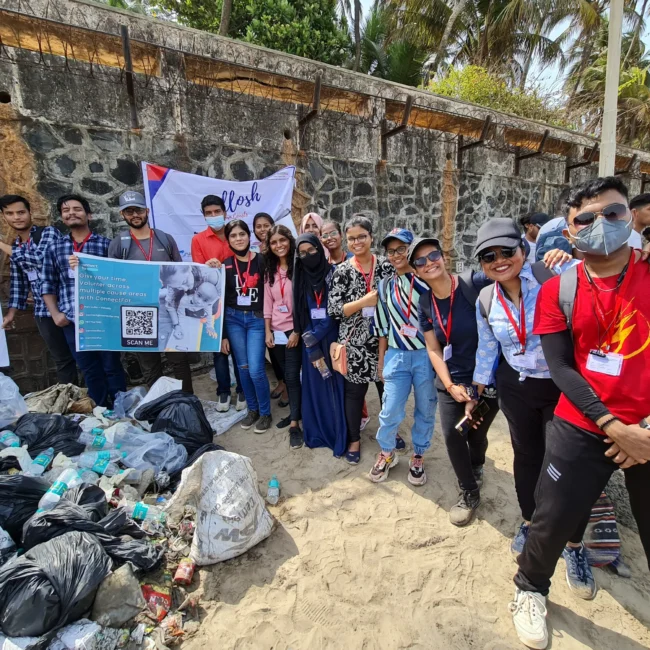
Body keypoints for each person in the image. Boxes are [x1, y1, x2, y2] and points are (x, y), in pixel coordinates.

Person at [510, 176, 650, 650]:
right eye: (586, 219)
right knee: (553, 515)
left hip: (647, 427)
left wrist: (643, 430)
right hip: (583, 420)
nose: (601, 224)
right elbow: (561, 367)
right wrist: (612, 425)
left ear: (630, 216)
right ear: (570, 232)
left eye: (612, 212)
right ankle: (530, 588)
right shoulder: (558, 290)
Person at [471, 218, 578, 561]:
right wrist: (476, 391)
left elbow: (602, 276)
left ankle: (573, 542)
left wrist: (573, 255)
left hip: (561, 385)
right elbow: (487, 348)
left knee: (564, 462)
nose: (499, 261)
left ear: (523, 248)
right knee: (527, 457)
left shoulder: (555, 275)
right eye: (489, 256)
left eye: (507, 251)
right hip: (516, 387)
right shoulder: (486, 298)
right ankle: (530, 521)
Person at [410, 236, 501, 525]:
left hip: (488, 378)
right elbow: (433, 348)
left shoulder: (475, 283)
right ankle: (469, 491)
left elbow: (510, 278)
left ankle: (478, 464)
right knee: (453, 435)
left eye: (433, 255)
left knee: (476, 433)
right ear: (415, 271)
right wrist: (450, 385)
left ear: (443, 256)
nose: (429, 263)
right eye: (420, 261)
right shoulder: (425, 302)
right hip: (452, 380)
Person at [105, 191, 194, 394]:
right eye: (129, 211)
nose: (135, 215)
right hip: (137, 312)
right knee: (150, 366)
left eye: (138, 210)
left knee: (179, 360)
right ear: (122, 215)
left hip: (168, 308)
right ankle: (158, 406)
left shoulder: (164, 239)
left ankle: (188, 402)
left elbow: (181, 271)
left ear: (147, 211)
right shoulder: (118, 244)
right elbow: (112, 278)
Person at [42, 194, 126, 407]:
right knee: (89, 369)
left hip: (103, 318)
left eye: (77, 209)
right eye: (66, 210)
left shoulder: (105, 245)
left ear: (89, 215)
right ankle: (100, 409)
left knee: (112, 366)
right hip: (72, 320)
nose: (71, 213)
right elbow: (48, 284)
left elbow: (118, 280)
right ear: (62, 217)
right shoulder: (54, 248)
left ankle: (121, 408)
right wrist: (55, 314)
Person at [369, 229, 436, 486]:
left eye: (401, 249)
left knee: (425, 408)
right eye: (391, 251)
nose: (396, 255)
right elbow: (382, 327)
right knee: (390, 409)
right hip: (396, 355)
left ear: (411, 249)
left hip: (425, 355)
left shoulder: (427, 281)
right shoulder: (385, 285)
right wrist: (381, 361)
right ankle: (387, 453)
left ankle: (418, 455)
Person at [328, 215, 394, 464]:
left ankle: (390, 433)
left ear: (371, 237)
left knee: (388, 391)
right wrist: (363, 302)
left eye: (361, 237)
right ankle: (354, 439)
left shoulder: (386, 266)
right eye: (352, 238)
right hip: (354, 345)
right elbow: (335, 310)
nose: (357, 242)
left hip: (385, 341)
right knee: (354, 395)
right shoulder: (342, 271)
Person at [0, 194, 78, 384]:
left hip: (66, 306)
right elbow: (19, 281)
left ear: (30, 213)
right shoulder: (17, 245)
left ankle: (98, 397)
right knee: (62, 360)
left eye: (21, 212)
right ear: (4, 217)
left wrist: (1, 245)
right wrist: (11, 314)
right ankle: (71, 396)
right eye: (10, 213)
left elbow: (39, 260)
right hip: (42, 311)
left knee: (85, 357)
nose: (16, 217)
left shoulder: (48, 233)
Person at [292, 233, 347, 456]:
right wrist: (311, 343)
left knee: (335, 386)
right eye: (302, 253)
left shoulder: (333, 274)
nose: (308, 256)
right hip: (310, 343)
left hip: (332, 339)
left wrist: (315, 335)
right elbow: (301, 313)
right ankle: (316, 431)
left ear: (319, 249)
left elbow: (336, 311)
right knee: (315, 385)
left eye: (312, 251)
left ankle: (337, 434)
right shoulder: (300, 278)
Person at [191, 195, 244, 412]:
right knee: (218, 348)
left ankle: (242, 389)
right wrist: (207, 266)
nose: (213, 216)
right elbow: (197, 274)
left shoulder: (235, 235)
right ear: (204, 216)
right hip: (213, 301)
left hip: (238, 300)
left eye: (217, 212)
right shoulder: (198, 240)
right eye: (209, 213)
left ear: (225, 212)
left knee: (239, 348)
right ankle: (223, 391)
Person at [222, 219, 272, 433]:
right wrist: (223, 335)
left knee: (257, 370)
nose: (238, 239)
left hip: (256, 320)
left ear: (249, 236)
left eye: (242, 234)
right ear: (228, 240)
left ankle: (265, 412)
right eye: (233, 236)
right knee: (242, 368)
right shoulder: (225, 265)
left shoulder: (262, 260)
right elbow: (220, 300)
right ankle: (252, 409)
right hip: (233, 319)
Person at [263, 225, 302, 446]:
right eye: (274, 242)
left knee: (293, 376)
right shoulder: (270, 270)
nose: (279, 245)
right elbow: (268, 303)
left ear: (290, 240)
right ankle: (296, 412)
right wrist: (268, 331)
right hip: (276, 332)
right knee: (287, 377)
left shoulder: (299, 266)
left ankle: (295, 423)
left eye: (282, 240)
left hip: (294, 331)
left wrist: (297, 331)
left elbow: (304, 303)